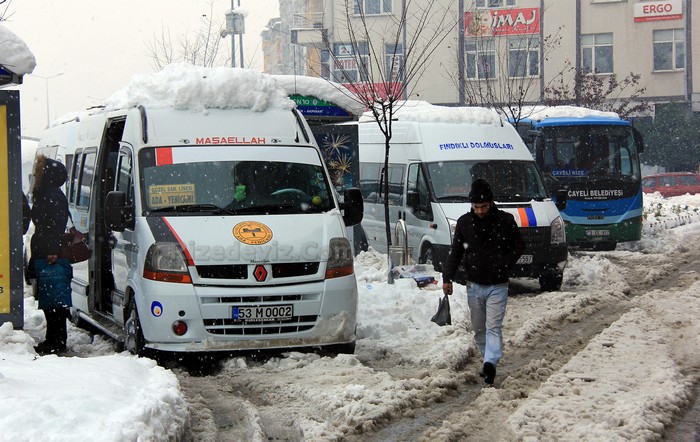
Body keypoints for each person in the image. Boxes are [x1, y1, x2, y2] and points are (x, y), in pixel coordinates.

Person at [441, 178, 525, 385]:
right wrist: (447, 277)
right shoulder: (464, 223)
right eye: (476, 207)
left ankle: (490, 363)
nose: (479, 211)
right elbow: (456, 252)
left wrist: (504, 264)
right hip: (474, 284)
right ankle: (488, 358)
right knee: (479, 328)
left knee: (493, 326)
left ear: (491, 202)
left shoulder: (505, 221)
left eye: (484, 206)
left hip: (498, 284)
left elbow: (519, 245)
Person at [29, 155, 71, 354]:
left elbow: (55, 224)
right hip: (45, 249)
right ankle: (54, 338)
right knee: (51, 298)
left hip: (49, 252)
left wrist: (52, 250)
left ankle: (56, 340)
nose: (36, 174)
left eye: (39, 170)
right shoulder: (49, 193)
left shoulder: (51, 194)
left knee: (53, 299)